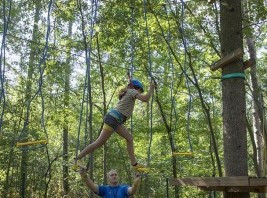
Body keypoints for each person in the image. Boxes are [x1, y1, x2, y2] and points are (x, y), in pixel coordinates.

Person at [75, 79, 155, 172]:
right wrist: (151, 88)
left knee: (127, 139)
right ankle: (78, 158)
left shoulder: (128, 92)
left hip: (115, 119)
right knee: (100, 142)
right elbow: (145, 99)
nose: (139, 93)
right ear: (136, 88)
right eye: (140, 91)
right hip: (114, 119)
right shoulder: (132, 91)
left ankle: (134, 164)